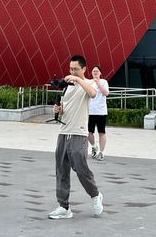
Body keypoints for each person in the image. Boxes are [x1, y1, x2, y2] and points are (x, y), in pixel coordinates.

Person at [48, 55, 104, 220]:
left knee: (80, 167)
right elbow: (66, 107)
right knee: (61, 169)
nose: (72, 72)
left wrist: (78, 80)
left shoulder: (88, 83)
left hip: (79, 132)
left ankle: (95, 196)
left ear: (84, 69)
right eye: (70, 69)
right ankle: (64, 207)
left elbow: (93, 94)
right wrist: (58, 109)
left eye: (76, 69)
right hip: (64, 131)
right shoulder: (67, 87)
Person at [87, 65, 109, 161]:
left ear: (100, 73)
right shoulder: (89, 82)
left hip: (101, 111)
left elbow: (106, 93)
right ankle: (94, 146)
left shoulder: (104, 82)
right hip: (90, 111)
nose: (95, 73)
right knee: (88, 132)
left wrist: (98, 83)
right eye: (93, 71)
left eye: (97, 71)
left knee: (101, 132)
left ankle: (101, 152)